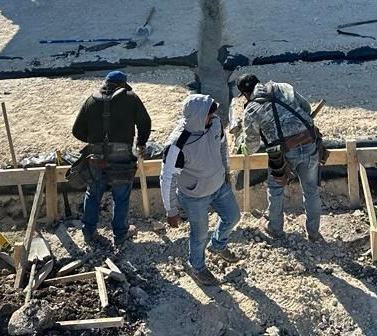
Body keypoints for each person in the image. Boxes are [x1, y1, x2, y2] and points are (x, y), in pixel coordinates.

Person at [160, 94, 241, 287]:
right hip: (194, 195)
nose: (212, 117)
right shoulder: (177, 145)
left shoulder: (215, 123)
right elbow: (167, 178)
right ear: (197, 116)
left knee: (233, 216)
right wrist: (171, 211)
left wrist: (226, 173)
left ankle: (218, 244)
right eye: (208, 114)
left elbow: (222, 146)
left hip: (218, 186)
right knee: (199, 235)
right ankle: (196, 267)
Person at [235, 74, 323, 241]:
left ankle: (276, 228)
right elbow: (306, 108)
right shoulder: (283, 87)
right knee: (311, 190)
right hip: (309, 142)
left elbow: (251, 146)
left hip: (283, 154)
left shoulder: (251, 109)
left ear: (245, 94)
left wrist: (243, 148)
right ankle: (313, 232)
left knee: (275, 191)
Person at [72, 70, 151, 246]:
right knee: (121, 197)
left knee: (93, 194)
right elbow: (145, 122)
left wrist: (94, 142)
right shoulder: (131, 98)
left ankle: (88, 232)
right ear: (122, 84)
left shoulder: (91, 100)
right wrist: (141, 143)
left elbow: (77, 131)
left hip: (96, 156)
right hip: (122, 155)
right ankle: (120, 234)